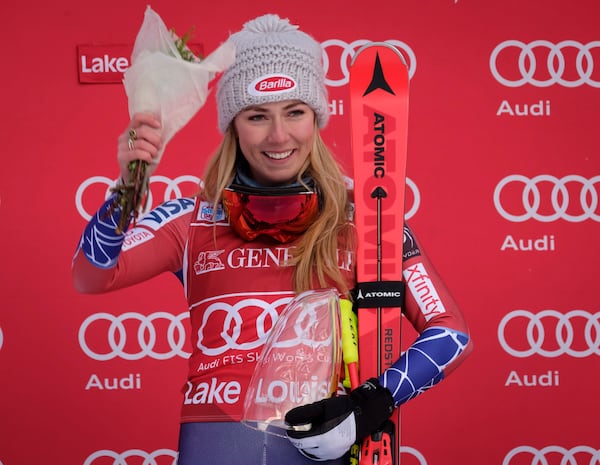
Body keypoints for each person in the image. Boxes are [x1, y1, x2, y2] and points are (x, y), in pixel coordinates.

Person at [72, 13, 472, 465]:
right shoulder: (193, 218)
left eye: (295, 112)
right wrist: (129, 185)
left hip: (322, 438)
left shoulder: (367, 220)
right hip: (216, 444)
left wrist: (369, 404)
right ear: (233, 126)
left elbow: (450, 333)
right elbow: (91, 276)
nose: (279, 136)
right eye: (257, 116)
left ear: (316, 118)